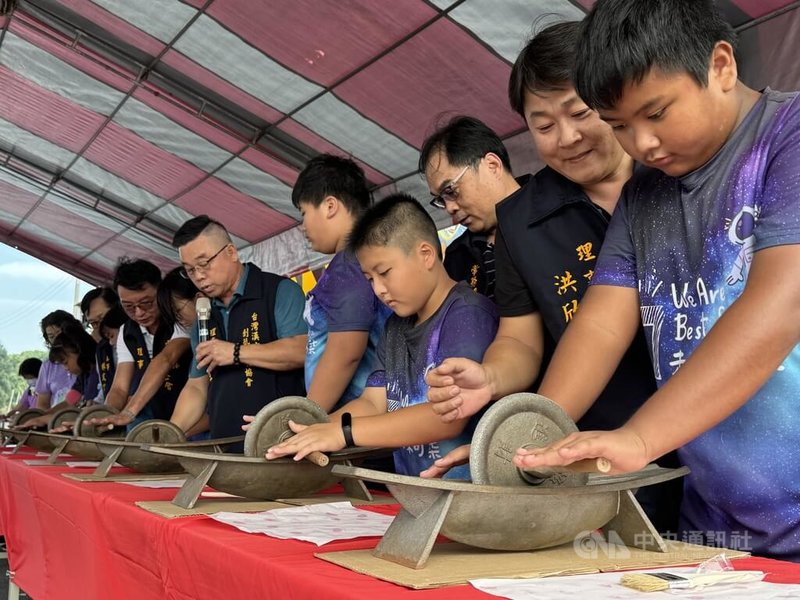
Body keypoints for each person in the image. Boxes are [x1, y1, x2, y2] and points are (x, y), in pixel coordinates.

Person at [512, 0, 800, 562]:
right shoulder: (644, 195)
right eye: (619, 125)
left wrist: (639, 440)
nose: (640, 144)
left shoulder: (788, 137)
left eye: (657, 113)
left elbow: (782, 302)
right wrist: (527, 438)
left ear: (721, 66)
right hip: (713, 531)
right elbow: (598, 325)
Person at [423, 23, 656, 465]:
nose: (567, 138)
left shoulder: (670, 175)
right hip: (594, 447)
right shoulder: (520, 221)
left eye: (580, 112)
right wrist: (491, 377)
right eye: (544, 125)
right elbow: (521, 340)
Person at [266, 194, 498, 479]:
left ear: (426, 255)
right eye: (370, 279)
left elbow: (447, 418)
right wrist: (309, 429)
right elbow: (373, 402)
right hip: (416, 496)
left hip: (469, 499)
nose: (379, 290)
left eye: (384, 273)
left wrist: (344, 433)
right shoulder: (395, 327)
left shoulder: (467, 315)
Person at [169, 215, 307, 446]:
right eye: (190, 270)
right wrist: (170, 433)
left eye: (204, 264)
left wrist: (235, 352)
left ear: (231, 252)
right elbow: (196, 386)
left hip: (279, 441)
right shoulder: (205, 316)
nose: (199, 276)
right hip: (223, 445)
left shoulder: (278, 291)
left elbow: (300, 350)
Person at [289, 154, 390, 412]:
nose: (303, 226)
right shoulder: (362, 257)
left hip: (357, 422)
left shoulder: (348, 266)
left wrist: (308, 417)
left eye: (304, 213)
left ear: (330, 206)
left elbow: (346, 350)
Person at [422, 117, 523, 300]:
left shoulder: (557, 208)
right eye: (441, 200)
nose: (449, 208)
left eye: (450, 190)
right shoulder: (456, 257)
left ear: (492, 166)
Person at [93, 259, 192, 430]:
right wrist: (105, 416)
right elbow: (119, 388)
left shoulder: (181, 318)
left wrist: (130, 411)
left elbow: (166, 359)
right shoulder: (126, 332)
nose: (139, 313)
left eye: (146, 303)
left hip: (188, 413)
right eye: (129, 307)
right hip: (151, 413)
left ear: (160, 291)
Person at [18, 323, 100, 428]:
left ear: (80, 352)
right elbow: (68, 402)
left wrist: (46, 418)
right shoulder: (83, 377)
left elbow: (89, 412)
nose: (65, 368)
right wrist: (41, 416)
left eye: (65, 362)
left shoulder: (97, 374)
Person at [34, 310, 81, 409]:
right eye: (51, 336)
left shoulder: (87, 359)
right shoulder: (48, 365)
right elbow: (42, 404)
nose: (57, 339)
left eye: (60, 332)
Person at [80, 287, 120, 399]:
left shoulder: (136, 338)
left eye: (102, 318)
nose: (101, 326)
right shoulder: (101, 349)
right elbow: (104, 390)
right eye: (94, 323)